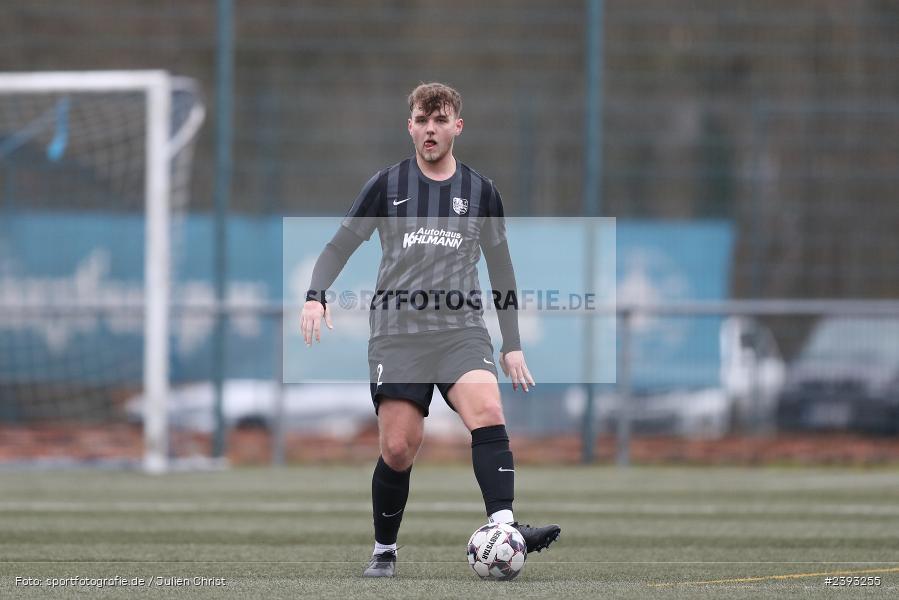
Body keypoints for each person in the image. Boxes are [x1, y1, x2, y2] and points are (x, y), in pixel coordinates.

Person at [301, 82, 560, 578]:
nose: (430, 129)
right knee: (399, 448)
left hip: (460, 331)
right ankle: (384, 549)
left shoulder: (481, 192)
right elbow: (338, 246)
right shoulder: (386, 185)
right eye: (422, 120)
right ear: (410, 126)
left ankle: (505, 528)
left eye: (440, 120)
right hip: (397, 335)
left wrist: (512, 345)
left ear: (457, 126)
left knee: (487, 410)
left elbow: (502, 270)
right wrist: (316, 295)